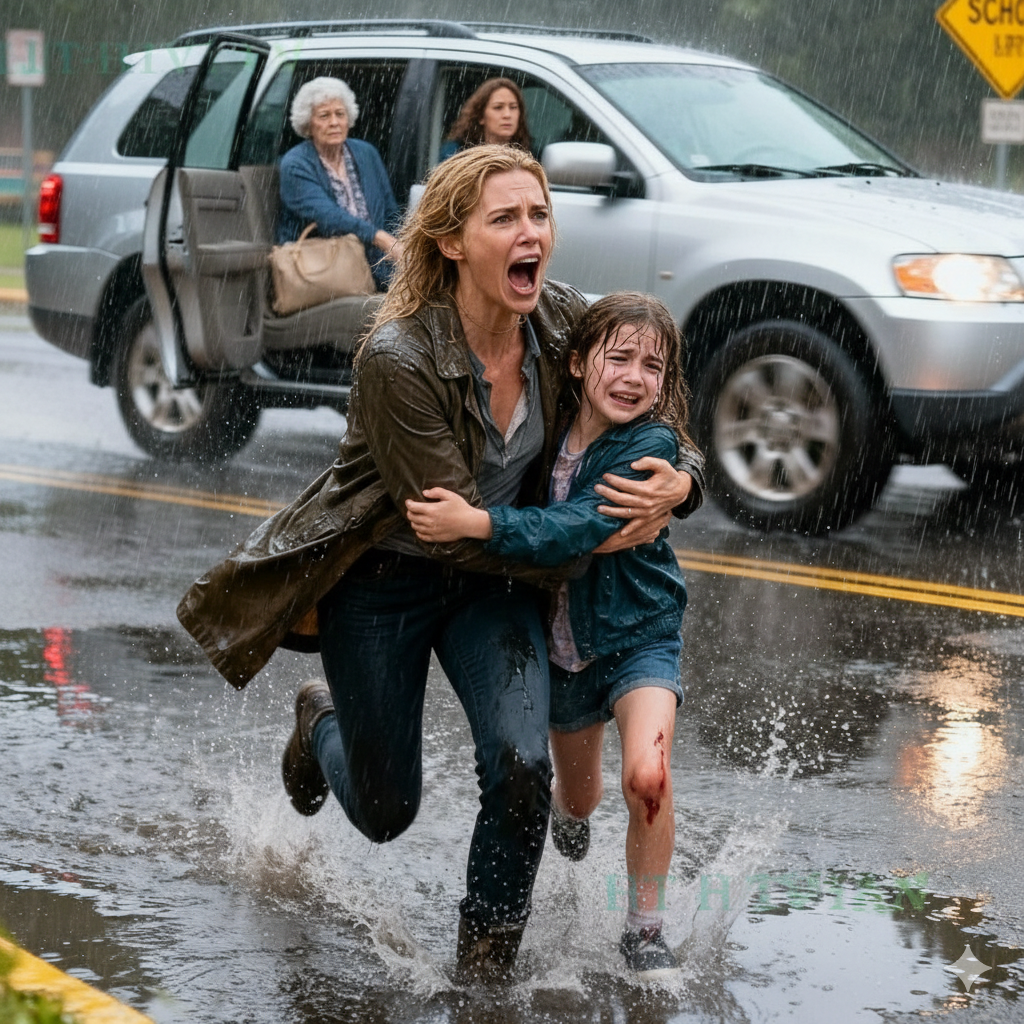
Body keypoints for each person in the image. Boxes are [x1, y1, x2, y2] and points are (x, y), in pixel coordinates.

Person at [176, 145, 704, 984]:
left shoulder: (561, 321)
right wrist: (600, 534)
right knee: (386, 811)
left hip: (500, 580)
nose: (532, 233)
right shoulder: (399, 357)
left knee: (523, 770)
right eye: (506, 218)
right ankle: (320, 722)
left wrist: (683, 481)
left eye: (539, 215)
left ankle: (484, 972)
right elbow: (450, 528)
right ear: (453, 242)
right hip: (389, 576)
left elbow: (649, 396)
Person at [406, 291, 692, 980]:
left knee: (647, 776)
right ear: (576, 363)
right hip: (562, 651)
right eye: (618, 358)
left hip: (638, 634)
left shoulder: (649, 445)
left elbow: (575, 528)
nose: (634, 378)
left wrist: (478, 524)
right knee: (580, 798)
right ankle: (572, 814)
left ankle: (645, 931)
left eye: (653, 367)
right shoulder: (545, 429)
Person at [277, 76, 402, 290]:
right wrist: (381, 238)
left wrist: (404, 244)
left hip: (377, 266)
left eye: (340, 114)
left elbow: (390, 211)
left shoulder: (366, 153)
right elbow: (328, 217)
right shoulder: (295, 164)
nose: (334, 122)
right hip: (325, 270)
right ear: (308, 124)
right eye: (324, 115)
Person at [439, 77, 532, 161]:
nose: (507, 115)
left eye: (513, 107)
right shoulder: (456, 154)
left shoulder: (529, 156)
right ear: (481, 116)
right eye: (498, 107)